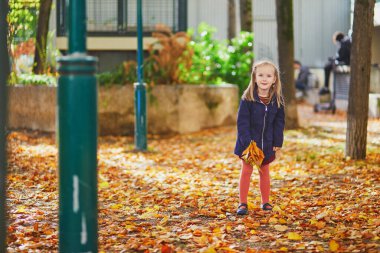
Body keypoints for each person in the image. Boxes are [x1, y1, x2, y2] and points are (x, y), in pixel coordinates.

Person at [234, 60, 285, 215]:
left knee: (265, 172)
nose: (264, 79)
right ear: (254, 78)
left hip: (267, 144)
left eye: (268, 75)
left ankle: (265, 202)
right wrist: (248, 142)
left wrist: (277, 141)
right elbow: (242, 123)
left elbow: (279, 122)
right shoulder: (248, 99)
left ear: (274, 79)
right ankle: (242, 203)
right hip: (248, 144)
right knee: (246, 171)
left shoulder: (277, 100)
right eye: (261, 75)